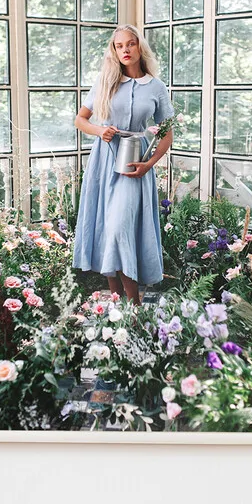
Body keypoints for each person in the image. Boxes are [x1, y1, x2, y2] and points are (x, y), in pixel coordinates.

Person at [71, 24, 174, 303]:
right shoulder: (105, 81)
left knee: (119, 227)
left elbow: (167, 132)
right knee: (107, 227)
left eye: (130, 44)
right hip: (105, 159)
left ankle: (136, 306)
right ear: (114, 51)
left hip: (134, 162)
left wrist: (150, 163)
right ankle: (118, 306)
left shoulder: (155, 87)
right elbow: (80, 119)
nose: (125, 50)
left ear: (140, 47)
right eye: (119, 46)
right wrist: (99, 131)